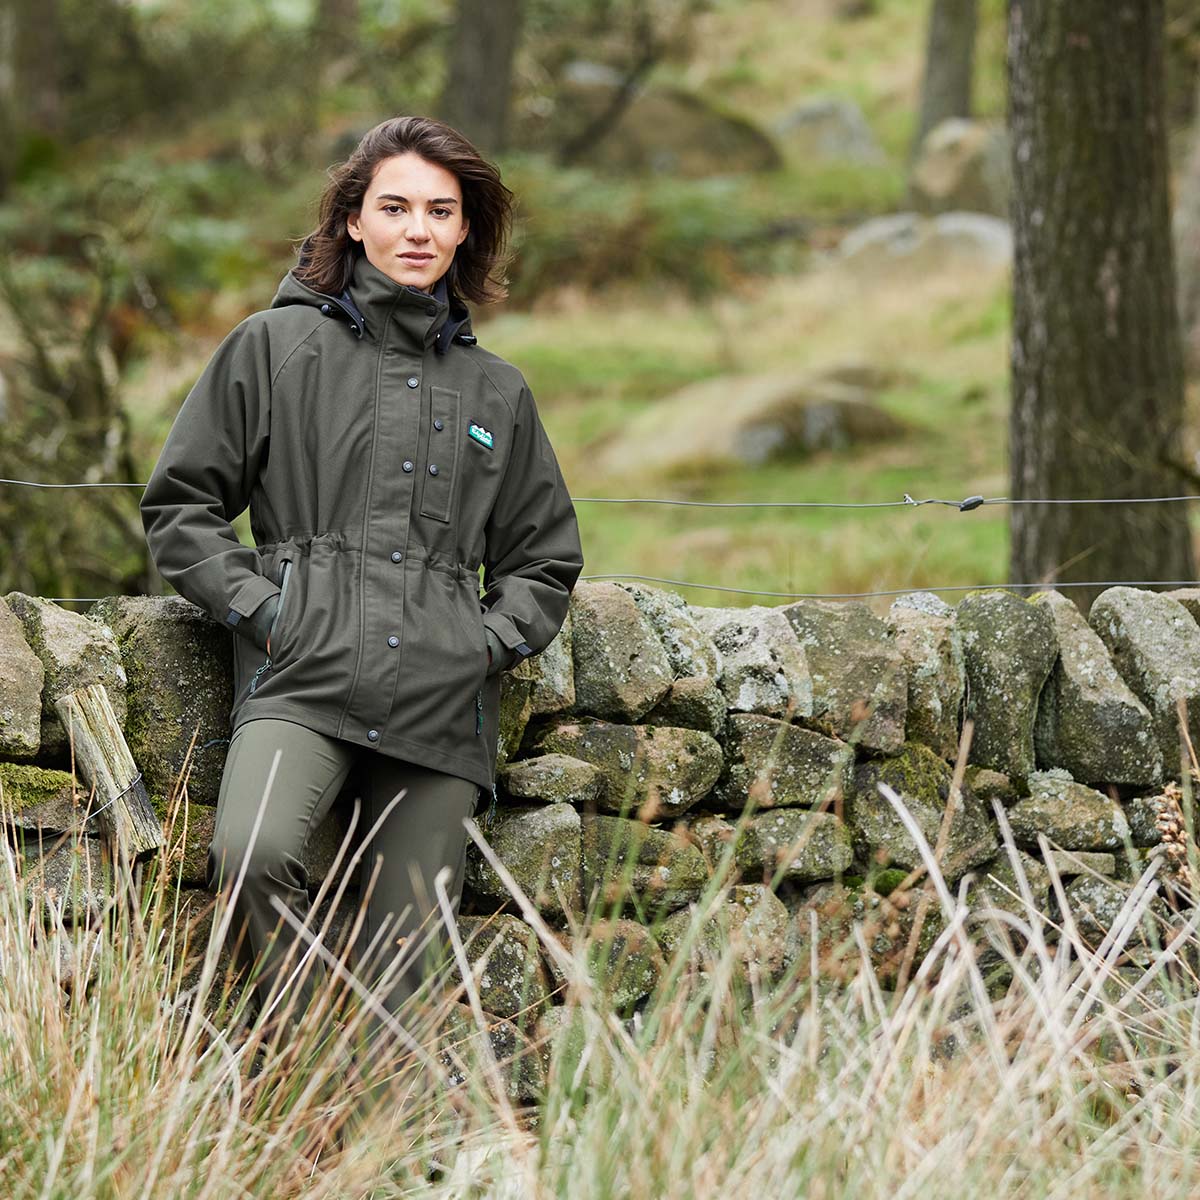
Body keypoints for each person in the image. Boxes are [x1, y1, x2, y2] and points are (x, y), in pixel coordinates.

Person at [139, 115, 583, 1071]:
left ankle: (383, 1147)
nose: (417, 229)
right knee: (252, 856)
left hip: (438, 703)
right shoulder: (270, 348)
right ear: (351, 221)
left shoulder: (497, 392)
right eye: (394, 207)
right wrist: (269, 612)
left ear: (467, 232)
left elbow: (544, 561)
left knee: (409, 960)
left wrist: (484, 642)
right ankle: (307, 1085)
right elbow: (182, 509)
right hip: (301, 676)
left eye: (440, 211)